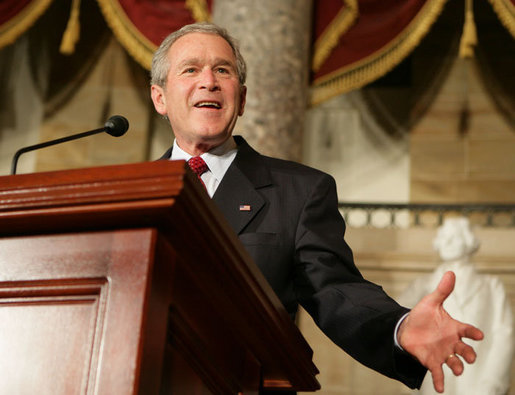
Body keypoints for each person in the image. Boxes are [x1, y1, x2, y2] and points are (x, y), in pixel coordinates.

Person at [150, 22, 484, 393]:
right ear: (159, 97)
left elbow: (336, 291)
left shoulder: (299, 192)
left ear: (241, 99)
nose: (209, 80)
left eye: (223, 70)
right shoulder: (136, 192)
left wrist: (399, 327)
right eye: (191, 69)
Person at [398, 217, 513, 394]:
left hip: (478, 381)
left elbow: (504, 335)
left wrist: (493, 381)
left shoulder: (491, 287)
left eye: (455, 237)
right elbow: (399, 326)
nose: (448, 242)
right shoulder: (422, 285)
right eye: (444, 237)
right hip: (432, 381)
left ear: (468, 242)